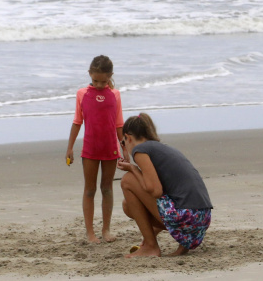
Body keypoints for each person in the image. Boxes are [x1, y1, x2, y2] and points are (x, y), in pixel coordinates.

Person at [118, 113, 212, 257]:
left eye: (123, 143)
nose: (125, 146)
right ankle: (156, 242)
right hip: (201, 220)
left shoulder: (140, 150)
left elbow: (154, 191)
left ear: (128, 137)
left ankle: (151, 247)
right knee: (129, 203)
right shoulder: (162, 149)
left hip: (186, 217)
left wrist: (133, 168)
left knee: (127, 181)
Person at [66, 55, 123, 243]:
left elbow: (119, 125)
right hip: (90, 149)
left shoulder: (115, 95)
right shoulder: (82, 94)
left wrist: (125, 151)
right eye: (95, 80)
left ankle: (106, 229)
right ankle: (90, 232)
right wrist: (70, 148)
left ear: (110, 76)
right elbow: (77, 122)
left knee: (107, 188)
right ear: (89, 74)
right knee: (89, 190)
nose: (99, 85)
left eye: (103, 81)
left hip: (110, 149)